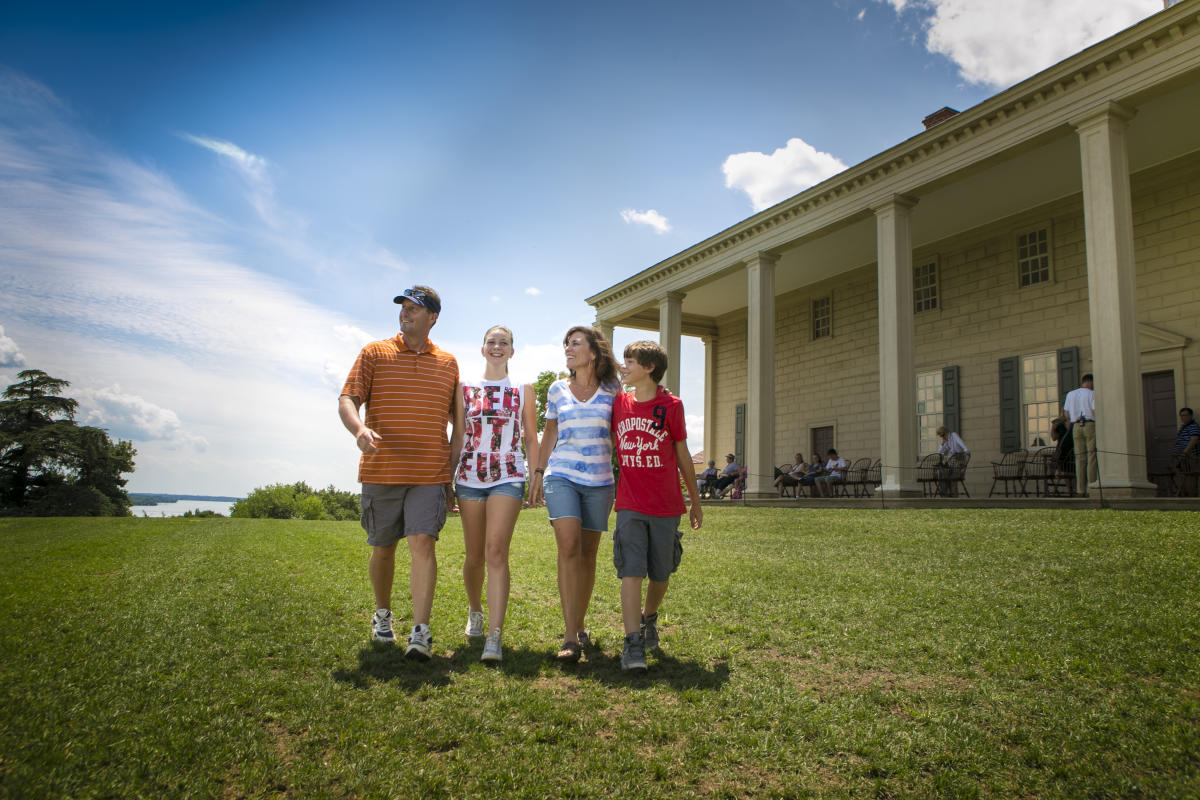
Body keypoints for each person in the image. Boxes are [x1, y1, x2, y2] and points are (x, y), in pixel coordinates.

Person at [339, 285, 463, 660]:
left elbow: (458, 424)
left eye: (414, 309)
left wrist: (450, 476)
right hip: (382, 469)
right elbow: (347, 398)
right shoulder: (374, 352)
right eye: (404, 307)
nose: (406, 313)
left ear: (433, 318)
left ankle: (421, 631)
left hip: (429, 472)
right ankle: (382, 615)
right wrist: (359, 429)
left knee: (423, 543)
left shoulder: (449, 363)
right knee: (383, 546)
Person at [528, 325, 620, 663]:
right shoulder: (556, 389)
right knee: (568, 546)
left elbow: (623, 428)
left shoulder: (612, 390)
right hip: (561, 476)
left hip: (600, 481)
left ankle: (579, 623)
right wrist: (537, 472)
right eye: (566, 343)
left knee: (588, 555)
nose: (568, 347)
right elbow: (549, 432)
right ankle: (569, 636)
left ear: (593, 352)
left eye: (575, 343)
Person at [611, 341, 703, 672]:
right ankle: (633, 642)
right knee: (631, 571)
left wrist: (694, 500)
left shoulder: (671, 406)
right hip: (630, 504)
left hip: (666, 506)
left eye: (630, 362)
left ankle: (649, 618)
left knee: (661, 573)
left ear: (649, 368)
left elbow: (682, 455)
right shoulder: (618, 403)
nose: (625, 367)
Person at [454, 325, 539, 663]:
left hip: (508, 474)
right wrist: (447, 479)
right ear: (482, 348)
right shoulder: (464, 389)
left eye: (504, 343)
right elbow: (459, 435)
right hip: (470, 476)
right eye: (492, 342)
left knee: (495, 552)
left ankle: (495, 635)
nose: (497, 347)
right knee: (474, 555)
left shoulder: (523, 390)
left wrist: (535, 474)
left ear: (512, 351)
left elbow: (531, 437)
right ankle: (475, 611)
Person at [1062, 373, 1096, 496]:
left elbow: (1066, 413)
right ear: (1090, 382)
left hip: (1075, 425)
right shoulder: (1091, 394)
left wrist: (1070, 422)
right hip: (1089, 424)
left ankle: (1080, 489)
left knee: (1079, 458)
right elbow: (1094, 410)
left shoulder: (1071, 394)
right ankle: (1091, 487)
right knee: (1091, 456)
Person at [1171, 407, 1199, 496]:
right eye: (1181, 416)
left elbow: (1194, 439)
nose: (1183, 417)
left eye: (1185, 415)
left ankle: (1191, 495)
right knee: (1179, 476)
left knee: (1190, 476)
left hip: (1189, 457)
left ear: (1190, 416)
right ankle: (1182, 494)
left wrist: (1185, 452)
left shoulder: (1193, 426)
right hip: (1180, 457)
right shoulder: (1183, 427)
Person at [935, 426, 969, 497]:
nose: (942, 437)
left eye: (943, 435)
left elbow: (961, 443)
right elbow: (939, 452)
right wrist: (942, 444)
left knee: (953, 479)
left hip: (959, 458)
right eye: (941, 436)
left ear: (946, 432)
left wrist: (966, 450)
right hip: (951, 460)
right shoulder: (946, 441)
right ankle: (945, 495)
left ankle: (954, 496)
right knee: (942, 476)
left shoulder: (953, 435)